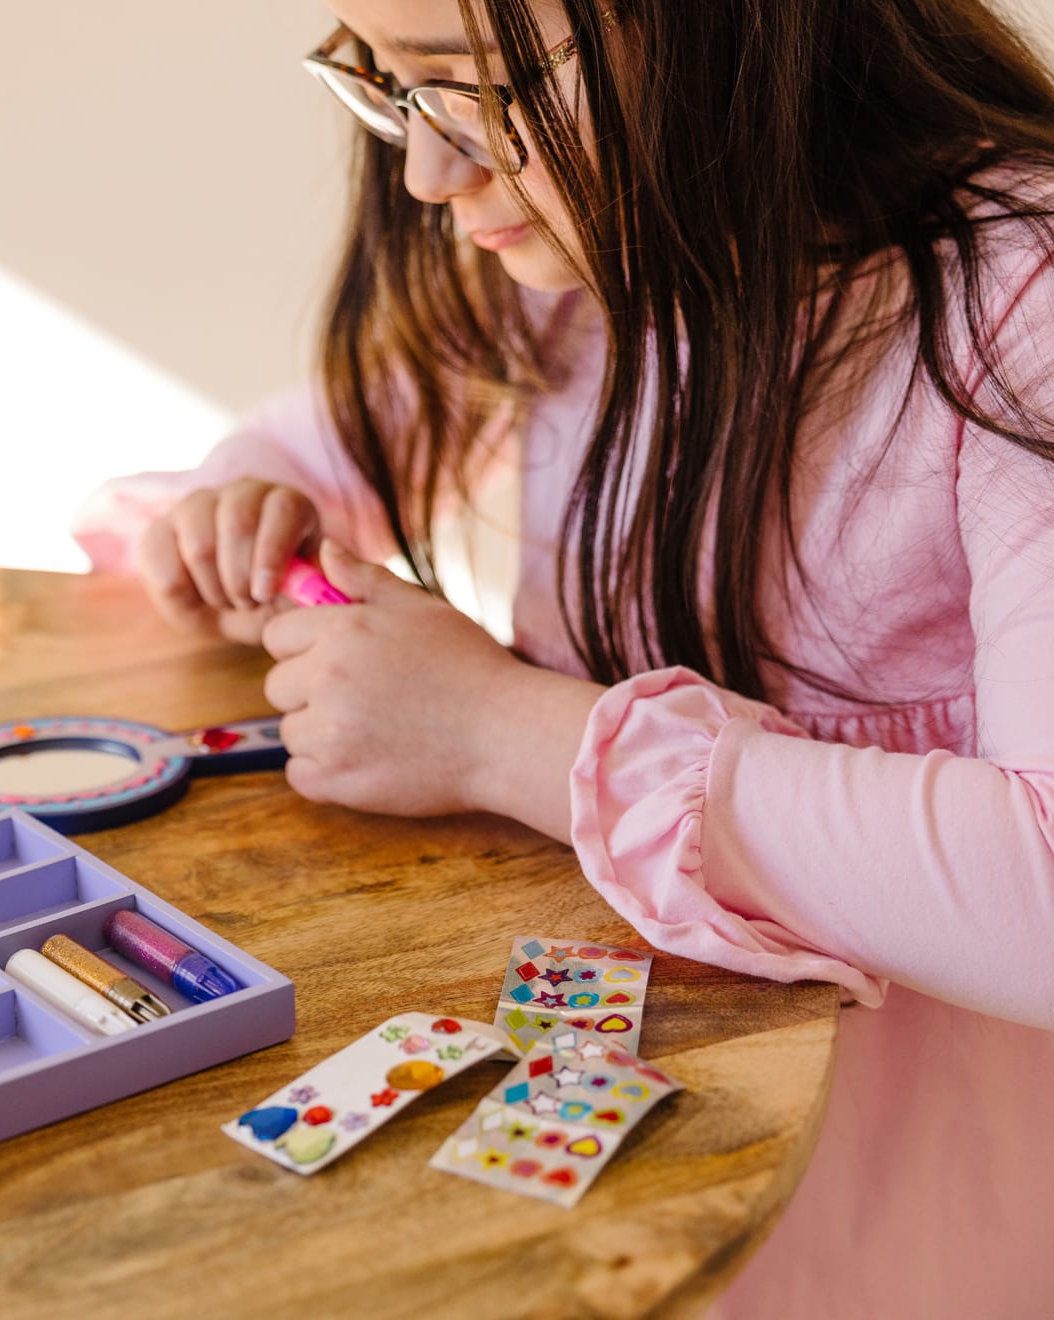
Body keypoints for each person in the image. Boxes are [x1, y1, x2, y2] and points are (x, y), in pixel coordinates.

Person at [72, 2, 1054, 1313]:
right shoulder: (578, 266)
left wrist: (497, 732)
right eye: (385, 83)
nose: (425, 172)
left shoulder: (1018, 309)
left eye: (466, 82)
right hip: (629, 1185)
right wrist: (248, 499)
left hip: (906, 1220)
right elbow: (314, 446)